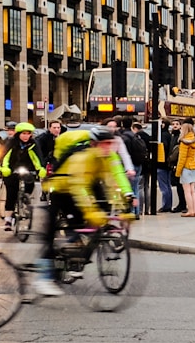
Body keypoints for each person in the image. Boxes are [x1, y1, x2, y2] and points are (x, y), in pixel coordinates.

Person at [37, 126, 135, 296]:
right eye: (104, 144)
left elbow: (116, 176)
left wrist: (126, 198)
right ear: (93, 144)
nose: (108, 148)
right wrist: (90, 211)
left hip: (87, 185)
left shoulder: (109, 155)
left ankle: (77, 255)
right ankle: (44, 278)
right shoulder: (82, 158)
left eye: (110, 144)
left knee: (95, 223)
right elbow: (79, 188)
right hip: (63, 188)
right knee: (50, 232)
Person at [1, 122, 45, 232]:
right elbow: (5, 156)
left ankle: (25, 200)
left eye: (28, 134)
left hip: (27, 168)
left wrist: (40, 169)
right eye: (23, 133)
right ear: (19, 134)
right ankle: (8, 218)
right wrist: (5, 168)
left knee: (30, 184)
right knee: (11, 193)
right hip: (11, 169)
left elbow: (38, 158)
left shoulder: (34, 144)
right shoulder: (12, 143)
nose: (26, 136)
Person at [173, 123, 195, 216]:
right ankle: (194, 210)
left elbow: (182, 158)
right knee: (193, 190)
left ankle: (190, 210)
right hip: (194, 165)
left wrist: (178, 172)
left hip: (186, 167)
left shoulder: (183, 142)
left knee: (187, 191)